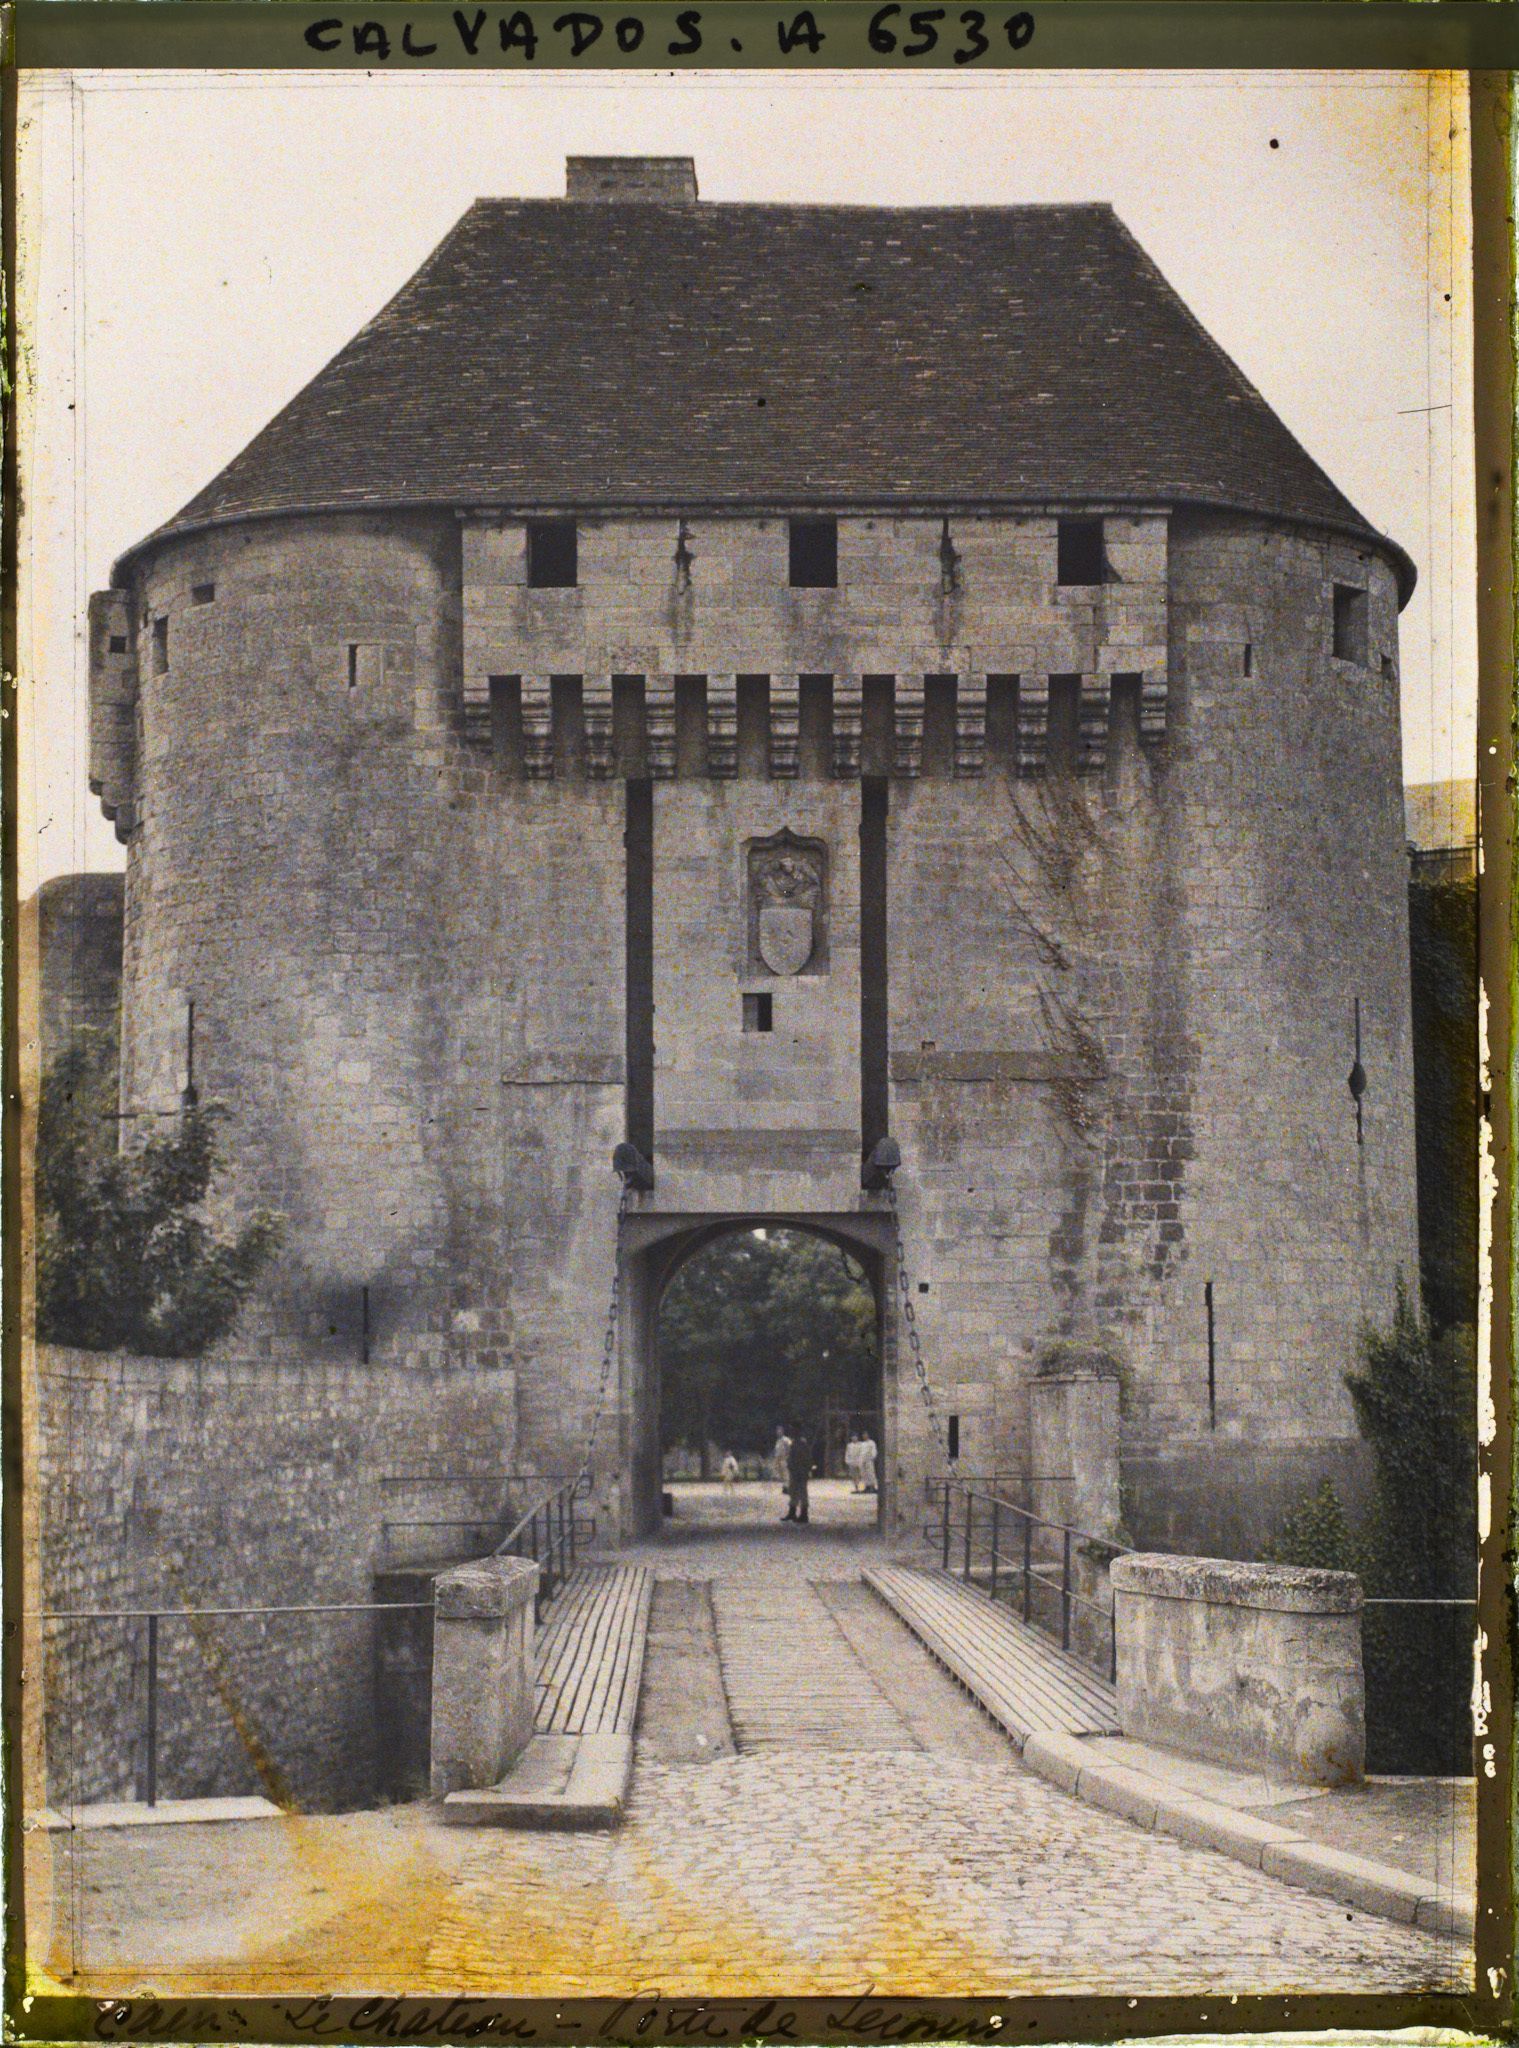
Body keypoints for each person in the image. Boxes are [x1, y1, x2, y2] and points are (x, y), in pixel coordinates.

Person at [783, 1420, 812, 1524]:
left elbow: (805, 1458)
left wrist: (806, 1469)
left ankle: (804, 1514)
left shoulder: (801, 1442)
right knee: (793, 1491)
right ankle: (792, 1512)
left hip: (800, 1470)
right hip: (795, 1470)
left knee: (802, 1492)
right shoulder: (795, 1442)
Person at [857, 1431, 878, 1495]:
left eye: (865, 1434)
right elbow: (860, 1452)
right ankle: (867, 1486)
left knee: (870, 1473)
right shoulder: (861, 1444)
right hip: (862, 1461)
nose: (864, 1436)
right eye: (863, 1435)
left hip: (869, 1460)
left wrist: (872, 1457)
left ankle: (872, 1486)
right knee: (864, 1474)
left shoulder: (871, 1442)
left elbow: (874, 1451)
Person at [772, 1426, 791, 1493]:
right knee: (782, 1474)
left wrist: (788, 1456)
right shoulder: (778, 1441)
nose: (778, 1432)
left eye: (779, 1431)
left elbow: (789, 1447)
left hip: (784, 1458)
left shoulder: (786, 1440)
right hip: (778, 1459)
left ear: (782, 1431)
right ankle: (785, 1486)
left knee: (786, 1474)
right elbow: (776, 1451)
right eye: (777, 1431)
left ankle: (787, 1487)